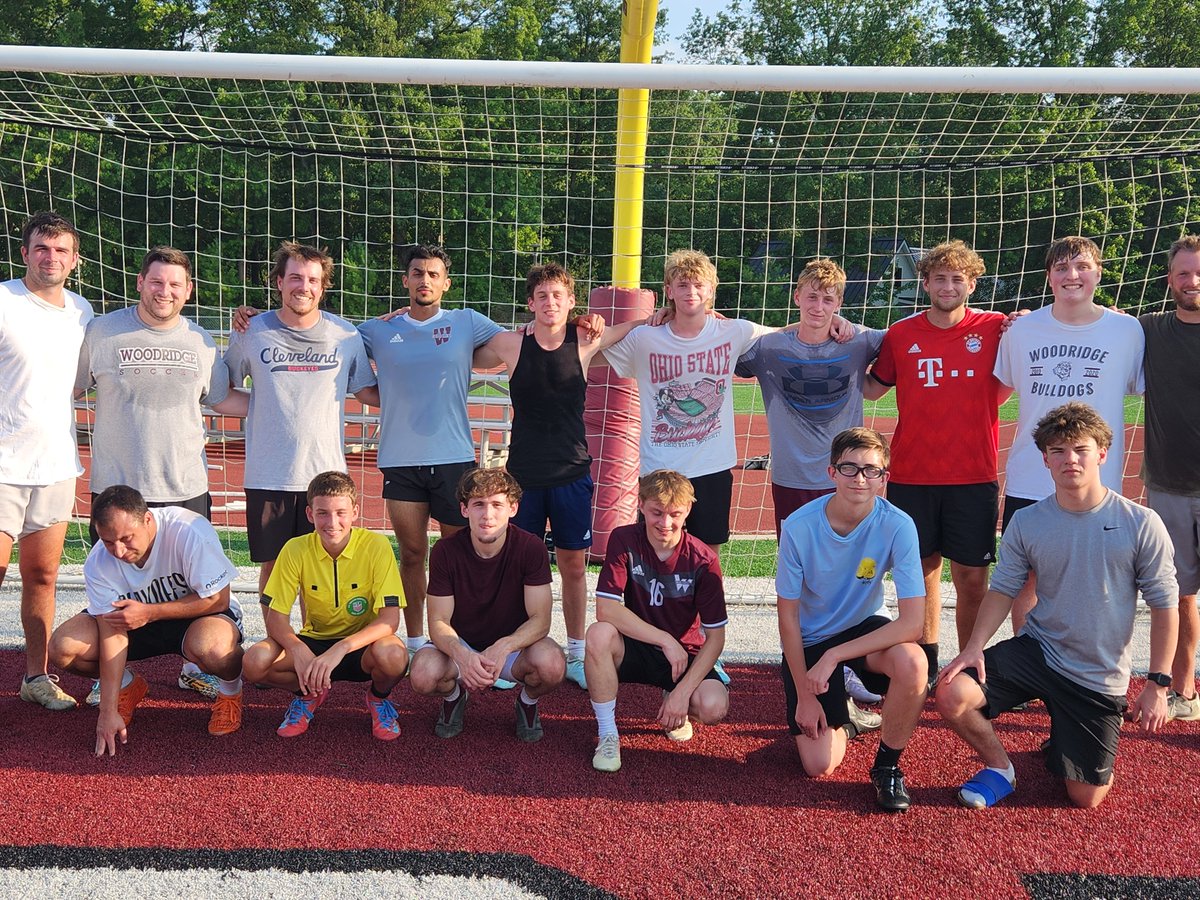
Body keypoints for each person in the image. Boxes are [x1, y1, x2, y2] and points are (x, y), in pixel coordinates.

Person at [937, 402, 1178, 809]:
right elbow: (1003, 589)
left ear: (1102, 454)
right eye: (1058, 451)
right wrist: (974, 646)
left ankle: (1071, 734)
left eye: (1081, 449)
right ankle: (1000, 768)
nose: (1071, 459)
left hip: (1097, 674)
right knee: (951, 692)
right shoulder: (1028, 521)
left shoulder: (1141, 523)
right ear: (1045, 459)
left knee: (1084, 798)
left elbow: (1165, 606)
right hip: (1040, 651)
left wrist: (1158, 683)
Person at [76, 246, 248, 705]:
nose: (164, 291)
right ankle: (119, 679)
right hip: (115, 490)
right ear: (139, 282)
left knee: (191, 586)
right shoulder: (102, 331)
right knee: (117, 583)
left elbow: (223, 399)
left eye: (175, 284)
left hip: (183, 486)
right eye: (156, 281)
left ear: (188, 290)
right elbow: (68, 387)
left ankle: (196, 668)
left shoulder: (201, 342)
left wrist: (288, 403)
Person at [473, 262, 644, 691]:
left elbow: (631, 328)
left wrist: (657, 315)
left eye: (558, 295)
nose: (550, 302)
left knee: (572, 567)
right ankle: (513, 651)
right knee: (519, 567)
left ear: (571, 302)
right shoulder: (511, 344)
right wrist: (407, 316)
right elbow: (459, 342)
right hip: (523, 478)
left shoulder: (584, 340)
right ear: (530, 303)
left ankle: (576, 652)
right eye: (542, 296)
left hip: (571, 474)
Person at [865, 240, 1010, 677]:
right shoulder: (901, 333)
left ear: (972, 284)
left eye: (957, 279)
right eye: (940, 278)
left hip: (974, 475)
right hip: (912, 475)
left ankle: (969, 664)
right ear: (925, 283)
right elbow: (872, 388)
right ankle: (926, 663)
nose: (948, 286)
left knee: (972, 578)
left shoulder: (998, 327)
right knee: (921, 573)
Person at [355, 245, 504, 657]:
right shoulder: (375, 331)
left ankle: (464, 638)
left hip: (454, 458)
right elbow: (326, 334)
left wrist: (574, 322)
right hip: (400, 460)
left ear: (446, 283)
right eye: (418, 273)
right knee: (413, 553)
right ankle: (417, 640)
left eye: (433, 274)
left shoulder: (466, 322)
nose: (425, 280)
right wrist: (253, 317)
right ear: (405, 280)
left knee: (461, 554)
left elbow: (519, 340)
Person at [994, 236, 1143, 632]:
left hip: (1098, 479)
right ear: (1049, 277)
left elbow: (1143, 385)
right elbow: (1002, 385)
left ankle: (1088, 662)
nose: (1071, 275)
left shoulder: (1128, 330)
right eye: (1061, 268)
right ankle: (1029, 658)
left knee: (1095, 576)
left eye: (1082, 267)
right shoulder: (1021, 330)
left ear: (1099, 273)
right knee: (1026, 577)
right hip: (1031, 474)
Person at [775, 427, 927, 812]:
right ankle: (850, 720)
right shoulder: (798, 527)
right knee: (818, 765)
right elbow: (788, 618)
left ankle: (887, 767)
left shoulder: (898, 525)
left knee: (914, 662)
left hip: (863, 629)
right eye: (850, 468)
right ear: (832, 472)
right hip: (812, 637)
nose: (860, 478)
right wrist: (805, 695)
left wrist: (835, 656)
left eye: (871, 470)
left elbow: (913, 623)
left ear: (884, 478)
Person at [223, 241, 376, 598]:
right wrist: (267, 407)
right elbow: (223, 387)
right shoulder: (251, 331)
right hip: (268, 474)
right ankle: (276, 634)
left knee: (318, 570)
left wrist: (424, 392)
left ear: (322, 287)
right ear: (279, 281)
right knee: (273, 568)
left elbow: (367, 391)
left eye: (312, 280)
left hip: (325, 475)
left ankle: (312, 634)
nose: (303, 287)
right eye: (295, 277)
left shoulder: (345, 335)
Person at [48, 485, 246, 754]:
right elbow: (111, 633)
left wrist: (151, 612)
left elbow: (218, 600)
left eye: (126, 538)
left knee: (214, 649)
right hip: (134, 620)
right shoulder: (98, 562)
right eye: (108, 541)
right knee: (64, 647)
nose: (118, 551)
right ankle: (127, 686)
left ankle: (230, 692)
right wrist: (107, 710)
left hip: (198, 615)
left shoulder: (188, 530)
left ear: (148, 520)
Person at [601, 249, 776, 554]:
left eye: (698, 284)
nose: (691, 291)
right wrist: (636, 324)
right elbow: (589, 352)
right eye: (682, 285)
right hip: (660, 466)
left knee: (707, 554)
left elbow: (788, 335)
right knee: (657, 552)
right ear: (668, 290)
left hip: (712, 465)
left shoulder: (733, 331)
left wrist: (837, 323)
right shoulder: (646, 338)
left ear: (711, 290)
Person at [1, 212, 93, 710]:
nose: (50, 257)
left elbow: (77, 383)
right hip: (2, 466)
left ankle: (35, 677)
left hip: (56, 465)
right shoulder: (4, 300)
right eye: (41, 247)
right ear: (24, 253)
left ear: (74, 260)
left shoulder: (82, 311)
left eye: (60, 250)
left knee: (43, 577)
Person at [242, 471, 409, 740]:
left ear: (355, 512)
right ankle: (309, 693)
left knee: (394, 656)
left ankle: (378, 699)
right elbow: (275, 618)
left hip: (360, 646)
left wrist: (341, 648)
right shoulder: (294, 548)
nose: (332, 522)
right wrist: (297, 649)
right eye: (322, 513)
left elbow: (390, 620)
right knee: (254, 662)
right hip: (314, 643)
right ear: (309, 514)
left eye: (341, 513)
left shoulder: (377, 546)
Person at [585, 469, 730, 773]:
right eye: (656, 512)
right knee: (598, 634)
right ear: (640, 505)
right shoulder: (623, 539)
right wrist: (664, 640)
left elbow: (716, 638)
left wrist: (682, 693)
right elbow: (606, 609)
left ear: (688, 510)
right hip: (637, 645)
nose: (665, 523)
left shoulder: (704, 560)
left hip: (684, 654)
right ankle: (608, 733)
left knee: (714, 706)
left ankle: (675, 699)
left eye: (674, 514)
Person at [408, 468, 565, 741]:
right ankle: (455, 697)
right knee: (422, 674)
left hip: (513, 648)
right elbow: (438, 621)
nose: (487, 515)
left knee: (552, 665)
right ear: (464, 509)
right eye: (479, 504)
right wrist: (462, 655)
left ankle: (527, 702)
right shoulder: (445, 550)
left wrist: (505, 646)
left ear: (513, 508)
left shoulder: (531, 548)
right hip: (463, 643)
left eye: (497, 504)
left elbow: (541, 619)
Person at [735, 257, 884, 537]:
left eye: (828, 300)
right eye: (812, 297)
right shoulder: (768, 348)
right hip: (791, 478)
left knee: (848, 553)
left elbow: (909, 334)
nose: (818, 307)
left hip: (847, 475)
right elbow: (716, 338)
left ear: (839, 302)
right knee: (795, 555)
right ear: (797, 297)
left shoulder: (860, 341)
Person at [1139, 234, 1200, 721]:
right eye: (1183, 273)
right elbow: (1093, 321)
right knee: (1179, 594)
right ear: (1169, 280)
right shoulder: (1150, 330)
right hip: (1169, 486)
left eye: (1198, 272)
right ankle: (1184, 691)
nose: (1192, 280)